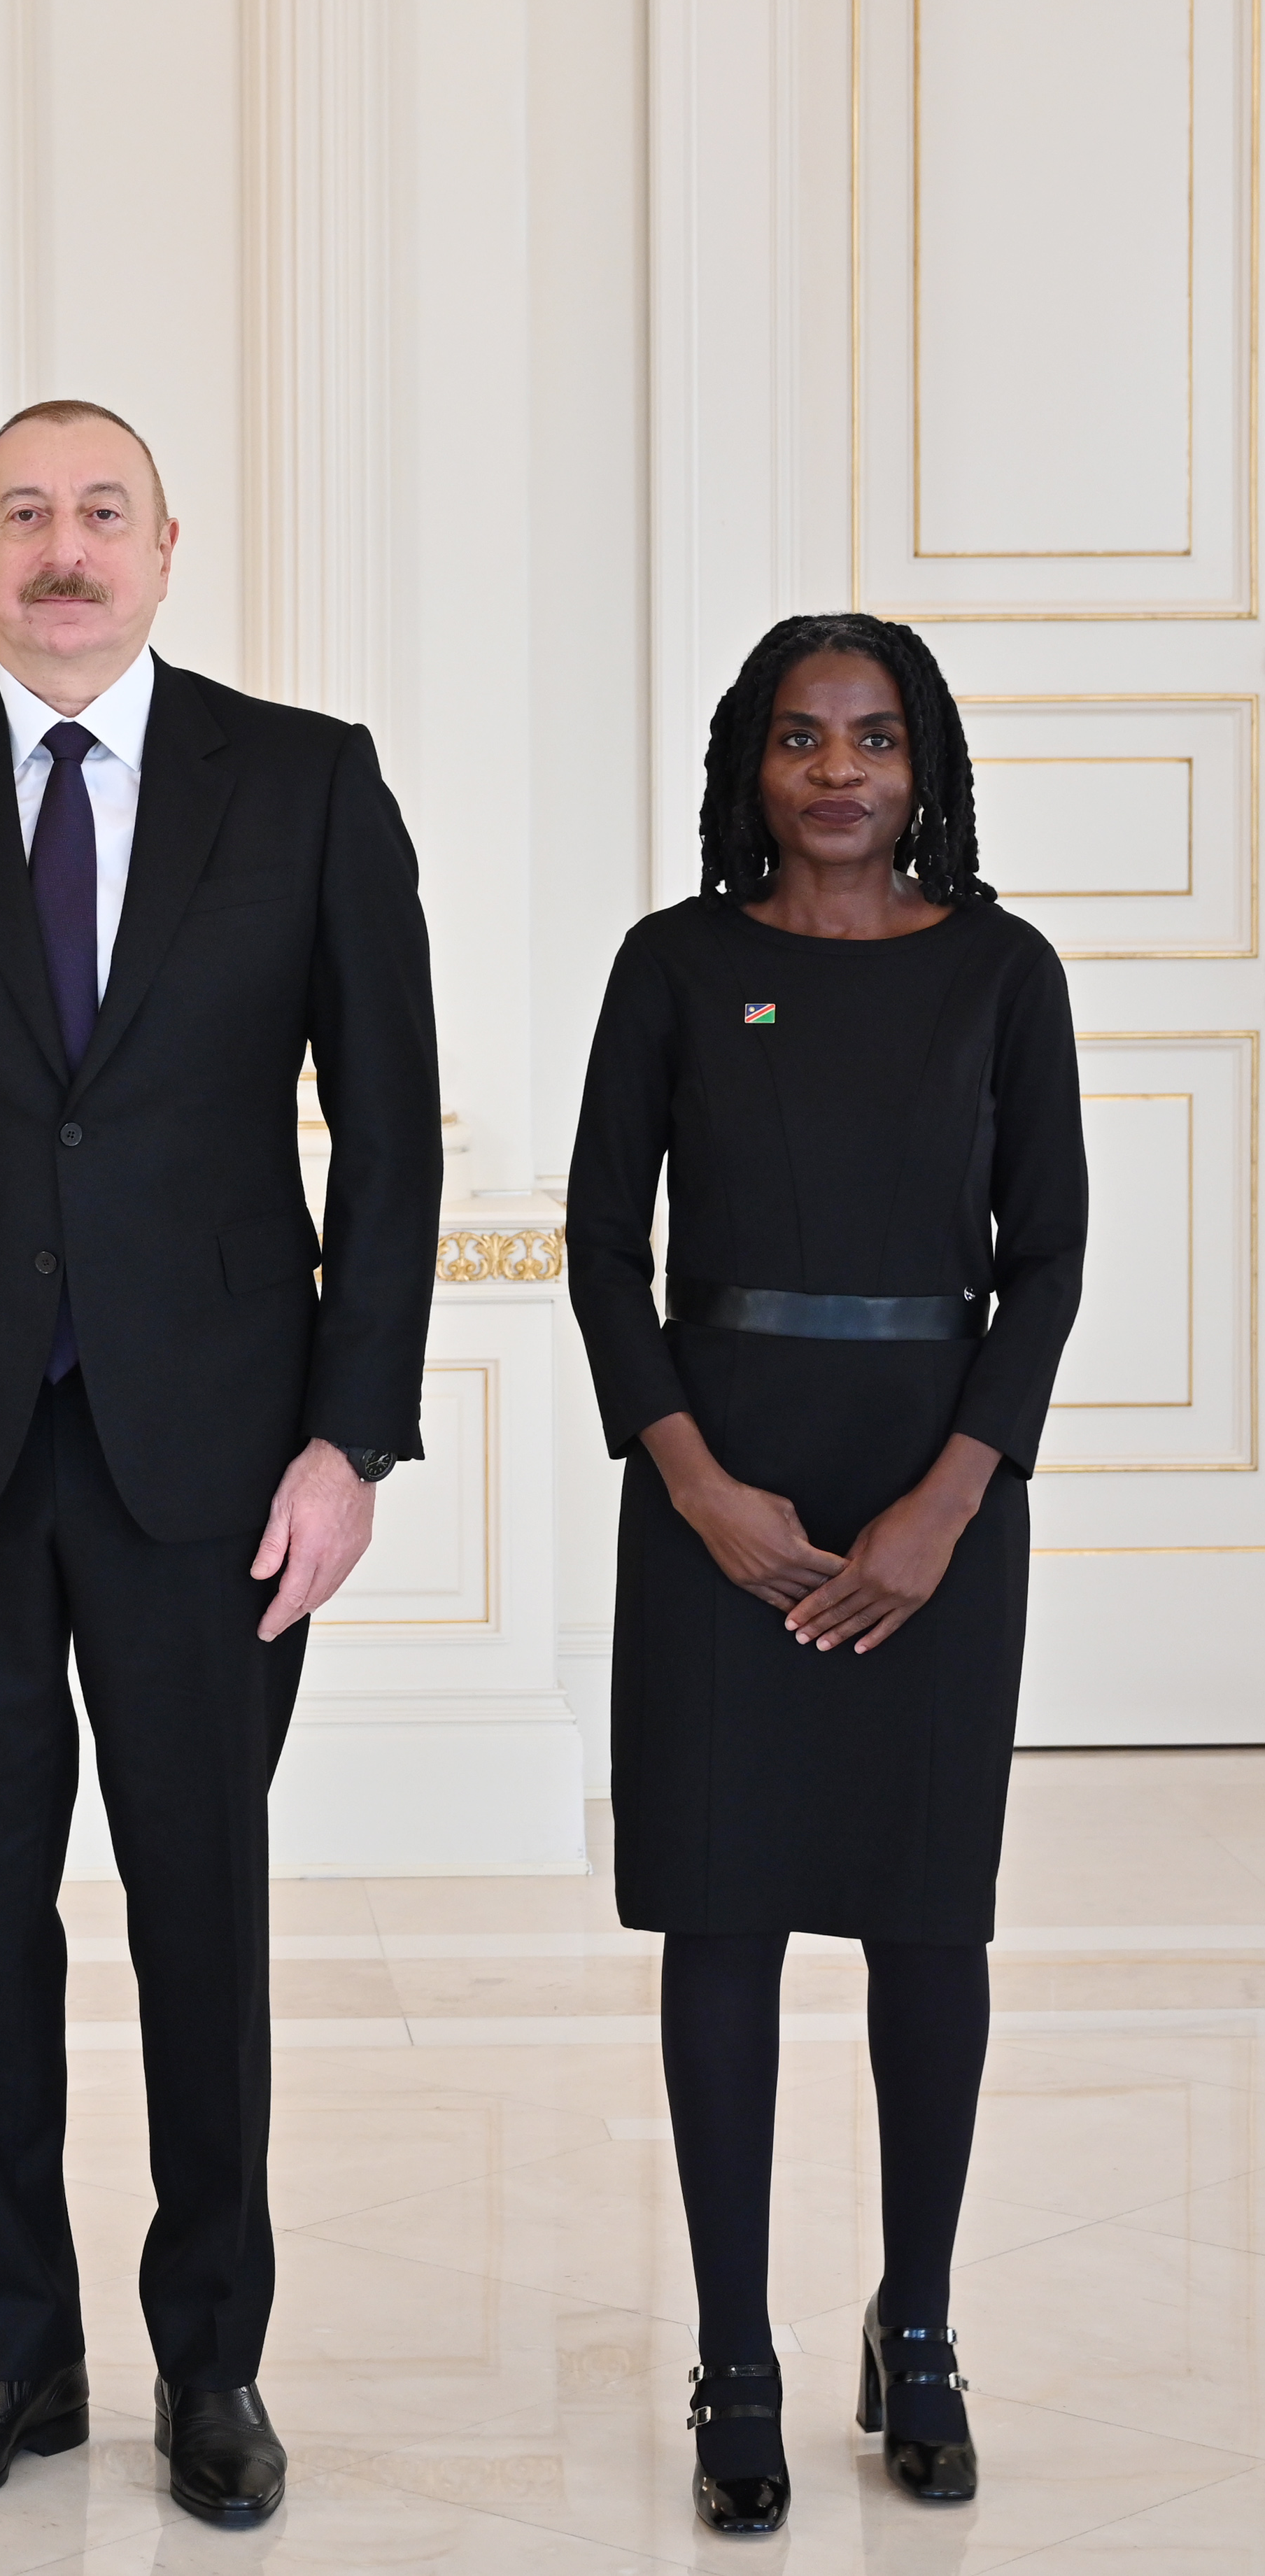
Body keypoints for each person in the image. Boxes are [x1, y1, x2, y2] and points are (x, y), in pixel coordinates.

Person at [0, 399, 441, 2528]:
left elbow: (393, 1136)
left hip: (219, 1464)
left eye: (102, 515)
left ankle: (206, 2371)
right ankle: (17, 2362)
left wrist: (353, 1435)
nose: (65, 551)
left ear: (167, 549)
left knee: (200, 1915)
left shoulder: (305, 780)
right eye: (26, 515)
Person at [566, 611, 1087, 2533]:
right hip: (726, 1500)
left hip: (932, 1504)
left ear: (925, 763)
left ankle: (923, 2329)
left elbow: (1045, 1259)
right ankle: (736, 2355)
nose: (841, 771)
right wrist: (693, 1481)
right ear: (751, 767)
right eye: (802, 738)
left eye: (875, 737)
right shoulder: (675, 967)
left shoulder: (1004, 975)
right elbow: (604, 1248)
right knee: (730, 1922)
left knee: (925, 1922)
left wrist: (952, 1500)